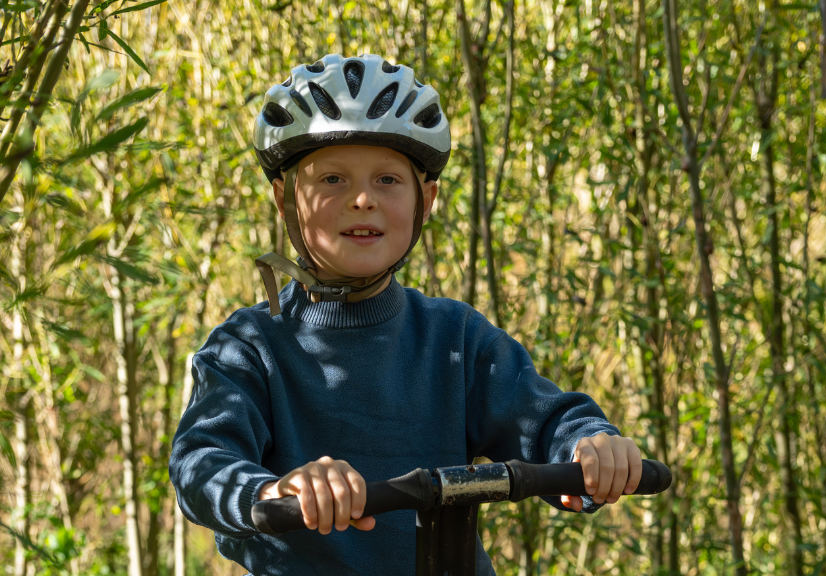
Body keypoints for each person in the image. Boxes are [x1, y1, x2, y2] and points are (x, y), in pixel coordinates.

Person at [169, 53, 643, 576]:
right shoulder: (248, 347)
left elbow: (544, 416)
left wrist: (589, 447)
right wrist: (271, 491)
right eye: (332, 179)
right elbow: (202, 461)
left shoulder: (455, 338)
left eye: (388, 180)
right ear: (286, 198)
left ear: (427, 199)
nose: (362, 199)